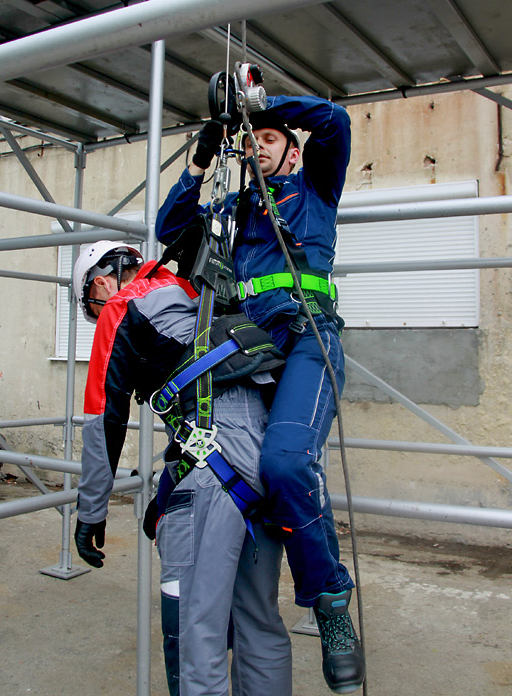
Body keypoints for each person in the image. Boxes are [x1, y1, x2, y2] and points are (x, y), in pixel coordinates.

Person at [155, 94, 365, 693]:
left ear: (292, 150)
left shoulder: (315, 190)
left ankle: (330, 605)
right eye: (252, 140)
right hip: (251, 357)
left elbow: (335, 121)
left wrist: (259, 105)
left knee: (287, 461)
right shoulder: (233, 210)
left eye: (270, 139)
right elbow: (171, 231)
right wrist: (198, 164)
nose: (257, 146)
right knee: (256, 484)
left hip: (306, 341)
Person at [71, 241, 292, 696]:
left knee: (198, 631)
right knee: (260, 623)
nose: (97, 317)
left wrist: (91, 512)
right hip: (268, 453)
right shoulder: (199, 287)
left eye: (92, 308)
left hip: (211, 461)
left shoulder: (122, 305)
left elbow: (102, 419)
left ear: (100, 281)